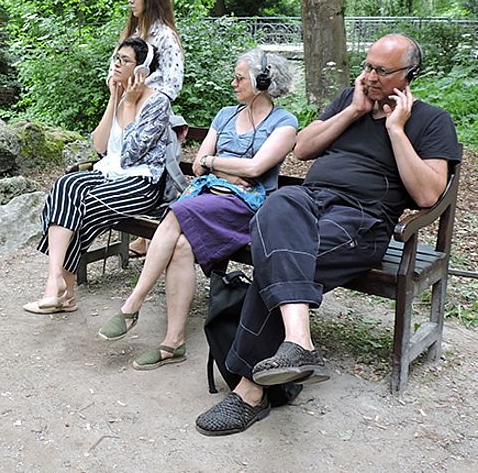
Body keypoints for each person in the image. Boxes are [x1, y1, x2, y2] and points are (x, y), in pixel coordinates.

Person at [194, 34, 461, 436]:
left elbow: (427, 193)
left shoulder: (431, 121)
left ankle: (249, 392)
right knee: (280, 203)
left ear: (409, 75)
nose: (369, 76)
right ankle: (298, 341)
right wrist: (352, 112)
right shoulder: (348, 101)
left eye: (381, 71)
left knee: (276, 261)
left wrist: (396, 131)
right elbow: (302, 149)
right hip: (310, 203)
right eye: (367, 66)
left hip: (363, 221)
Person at [98, 49, 298, 370]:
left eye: (239, 77)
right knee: (179, 245)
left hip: (245, 207)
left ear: (263, 81)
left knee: (177, 213)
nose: (233, 83)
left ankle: (132, 305)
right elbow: (199, 164)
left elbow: (258, 167)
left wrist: (220, 164)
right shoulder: (224, 115)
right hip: (206, 197)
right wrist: (229, 168)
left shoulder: (284, 122)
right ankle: (172, 344)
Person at [24, 36, 172, 314]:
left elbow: (132, 154)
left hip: (142, 184)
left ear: (142, 70)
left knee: (84, 206)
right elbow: (100, 147)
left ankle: (62, 292)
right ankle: (56, 280)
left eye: (124, 60)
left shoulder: (157, 104)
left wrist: (129, 104)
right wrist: (115, 98)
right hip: (112, 175)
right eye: (116, 58)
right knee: (66, 185)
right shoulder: (119, 97)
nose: (116, 65)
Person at [110, 0, 185, 257]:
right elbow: (115, 71)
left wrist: (141, 95)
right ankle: (142, 240)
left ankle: (151, 239)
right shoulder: (132, 35)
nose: (130, 0)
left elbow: (172, 85)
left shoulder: (165, 36)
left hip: (150, 119)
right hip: (123, 108)